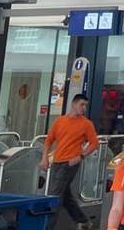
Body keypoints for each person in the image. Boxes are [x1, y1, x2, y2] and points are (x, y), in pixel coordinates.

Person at [42, 94, 99, 230]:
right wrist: (44, 158)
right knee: (64, 195)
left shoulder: (86, 124)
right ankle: (83, 220)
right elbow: (49, 140)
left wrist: (81, 156)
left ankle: (46, 226)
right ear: (73, 104)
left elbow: (94, 143)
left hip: (70, 163)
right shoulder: (60, 121)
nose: (84, 108)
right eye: (81, 105)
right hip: (57, 162)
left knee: (54, 195)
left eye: (85, 105)